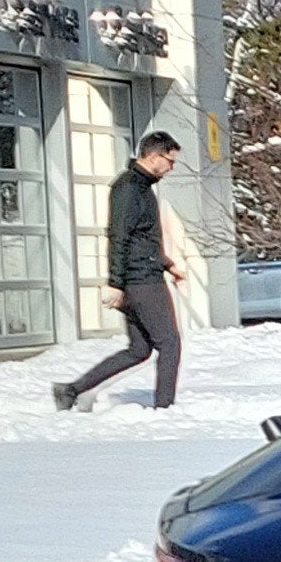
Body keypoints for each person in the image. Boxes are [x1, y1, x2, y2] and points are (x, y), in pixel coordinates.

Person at [55, 132, 196, 410]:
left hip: (142, 274)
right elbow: (119, 236)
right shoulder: (129, 188)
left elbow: (142, 238)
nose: (171, 168)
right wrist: (115, 283)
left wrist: (168, 264)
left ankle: (70, 391)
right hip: (140, 280)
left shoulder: (142, 187)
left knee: (139, 350)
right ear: (154, 157)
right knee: (169, 344)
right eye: (170, 161)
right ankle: (165, 409)